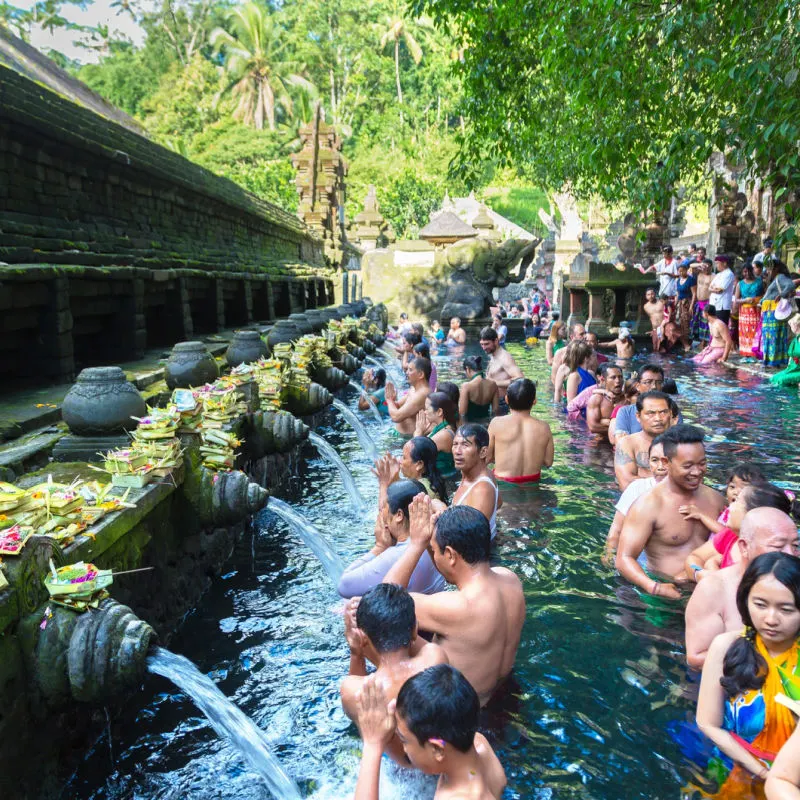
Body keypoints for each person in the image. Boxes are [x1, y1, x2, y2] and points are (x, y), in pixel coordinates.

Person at [384, 500, 525, 705]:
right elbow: (452, 567)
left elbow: (384, 602)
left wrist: (416, 544)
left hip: (461, 717)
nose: (431, 553)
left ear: (450, 555)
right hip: (505, 697)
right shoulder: (511, 581)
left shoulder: (455, 607)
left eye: (433, 550)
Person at [696, 553, 800, 788]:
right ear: (745, 600)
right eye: (760, 605)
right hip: (735, 767)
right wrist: (764, 774)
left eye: (786, 609)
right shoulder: (725, 647)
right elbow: (707, 723)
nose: (771, 619)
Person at [351, 664, 506, 799]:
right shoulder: (479, 743)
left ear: (437, 749)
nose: (403, 748)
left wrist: (373, 744)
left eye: (404, 740)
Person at [339, 584, 448, 764]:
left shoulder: (353, 690)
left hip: (399, 775)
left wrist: (356, 651)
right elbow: (415, 641)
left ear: (362, 638)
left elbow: (355, 698)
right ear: (415, 629)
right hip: (439, 759)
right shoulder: (435, 657)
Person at [616, 424, 726, 597]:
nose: (697, 472)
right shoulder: (648, 505)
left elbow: (732, 540)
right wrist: (654, 587)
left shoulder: (716, 500)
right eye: (688, 465)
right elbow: (624, 558)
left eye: (702, 463)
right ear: (667, 463)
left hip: (708, 592)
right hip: (666, 595)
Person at [685, 507, 799, 669]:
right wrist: (770, 662)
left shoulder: (796, 580)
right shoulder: (714, 588)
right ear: (744, 547)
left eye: (795, 546)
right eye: (778, 547)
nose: (790, 554)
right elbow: (696, 657)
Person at [338, 479, 446, 598]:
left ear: (399, 515)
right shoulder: (436, 540)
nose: (380, 512)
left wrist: (379, 547)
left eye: (384, 507)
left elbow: (344, 586)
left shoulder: (396, 555)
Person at [685, 479, 786, 577]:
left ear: (752, 513)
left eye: (737, 501)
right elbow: (694, 558)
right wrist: (702, 574)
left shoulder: (769, 556)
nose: (730, 507)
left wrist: (712, 568)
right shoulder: (730, 535)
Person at [603, 436, 668, 565]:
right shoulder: (638, 488)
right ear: (648, 462)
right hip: (635, 560)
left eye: (666, 461)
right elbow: (616, 529)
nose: (660, 467)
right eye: (654, 460)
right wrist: (608, 554)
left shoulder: (691, 493)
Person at [487, 378, 554, 485]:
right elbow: (548, 462)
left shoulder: (496, 423)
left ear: (506, 399)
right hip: (533, 484)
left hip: (503, 483)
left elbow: (487, 457)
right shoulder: (544, 427)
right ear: (534, 401)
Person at [614, 390, 673, 490]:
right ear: (638, 416)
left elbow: (692, 478)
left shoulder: (681, 444)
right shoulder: (627, 444)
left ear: (671, 414)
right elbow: (627, 484)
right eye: (651, 413)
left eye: (663, 412)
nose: (658, 418)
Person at [451, 423, 500, 539]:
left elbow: (471, 538)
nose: (457, 451)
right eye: (455, 444)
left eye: (465, 445)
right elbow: (499, 503)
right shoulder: (475, 474)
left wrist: (442, 511)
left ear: (483, 452)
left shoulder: (481, 489)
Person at [613, 364, 668, 440]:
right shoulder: (625, 412)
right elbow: (620, 442)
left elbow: (678, 442)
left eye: (658, 382)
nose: (654, 386)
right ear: (638, 386)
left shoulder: (672, 411)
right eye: (648, 382)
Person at [761, 260, 800, 367]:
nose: (768, 272)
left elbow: (791, 284)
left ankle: (773, 362)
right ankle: (776, 361)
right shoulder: (779, 278)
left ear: (776, 268)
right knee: (775, 336)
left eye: (769, 269)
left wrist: (781, 294)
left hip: (773, 311)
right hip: (770, 311)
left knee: (773, 336)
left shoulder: (780, 277)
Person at [385, 356, 431, 437]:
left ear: (421, 374)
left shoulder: (422, 394)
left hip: (408, 439)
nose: (407, 372)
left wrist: (389, 400)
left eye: (410, 370)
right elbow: (398, 405)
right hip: (399, 434)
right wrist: (392, 400)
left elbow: (396, 417)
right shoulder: (413, 389)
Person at [479, 327, 523, 407]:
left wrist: (493, 383)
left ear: (496, 341)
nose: (484, 348)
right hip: (494, 402)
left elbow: (520, 379)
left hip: (503, 403)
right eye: (482, 344)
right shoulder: (493, 355)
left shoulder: (505, 358)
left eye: (486, 344)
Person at [415, 392, 457, 476]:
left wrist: (418, 432)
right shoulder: (442, 427)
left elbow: (415, 454)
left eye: (427, 409)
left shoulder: (444, 435)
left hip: (443, 480)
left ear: (439, 412)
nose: (425, 412)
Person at [397, 437, 449, 504]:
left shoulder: (418, 492)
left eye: (404, 458)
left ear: (419, 464)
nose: (399, 461)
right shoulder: (433, 481)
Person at [734, 263, 764, 357]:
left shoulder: (759, 282)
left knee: (756, 332)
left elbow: (765, 295)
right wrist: (745, 300)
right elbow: (736, 299)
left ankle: (756, 352)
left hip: (756, 310)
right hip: (744, 312)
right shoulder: (740, 284)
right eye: (744, 271)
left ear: (752, 271)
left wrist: (757, 300)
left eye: (748, 271)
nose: (746, 273)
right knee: (745, 333)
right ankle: (746, 353)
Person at [586, 363, 624, 434]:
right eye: (613, 377)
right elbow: (593, 427)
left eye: (620, 377)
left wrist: (607, 422)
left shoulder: (627, 398)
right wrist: (621, 428)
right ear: (604, 380)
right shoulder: (596, 399)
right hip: (601, 442)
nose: (618, 381)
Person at [563, 341, 596, 405]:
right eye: (592, 356)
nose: (595, 358)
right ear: (586, 358)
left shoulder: (591, 374)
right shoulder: (574, 376)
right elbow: (571, 404)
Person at [607, 379, 639, 446]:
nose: (642, 398)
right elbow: (613, 440)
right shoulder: (621, 410)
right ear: (628, 397)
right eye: (637, 395)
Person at [771, 314, 800, 387]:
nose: (791, 327)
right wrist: (788, 368)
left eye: (792, 325)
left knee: (782, 380)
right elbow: (791, 357)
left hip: (798, 370)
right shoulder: (795, 339)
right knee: (774, 378)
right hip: (792, 369)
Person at [708, 254, 736, 326]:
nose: (716, 265)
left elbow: (720, 290)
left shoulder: (729, 274)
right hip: (713, 303)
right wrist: (714, 288)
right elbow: (709, 287)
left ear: (724, 263)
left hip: (722, 305)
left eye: (717, 263)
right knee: (713, 326)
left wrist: (713, 289)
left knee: (721, 326)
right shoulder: (718, 274)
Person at [675, 262, 697, 351]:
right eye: (679, 271)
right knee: (681, 322)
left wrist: (691, 306)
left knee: (686, 321)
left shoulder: (691, 280)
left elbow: (694, 294)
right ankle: (685, 342)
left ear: (686, 270)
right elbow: (678, 293)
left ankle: (688, 342)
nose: (681, 273)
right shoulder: (678, 281)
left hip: (687, 303)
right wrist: (675, 304)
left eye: (682, 271)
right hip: (680, 303)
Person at [692, 259, 714, 344]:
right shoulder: (699, 274)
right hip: (699, 302)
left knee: (706, 325)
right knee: (698, 324)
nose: (705, 268)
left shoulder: (713, 276)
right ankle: (701, 342)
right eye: (704, 266)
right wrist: (701, 264)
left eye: (707, 266)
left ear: (711, 267)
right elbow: (690, 266)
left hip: (708, 302)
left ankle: (707, 342)